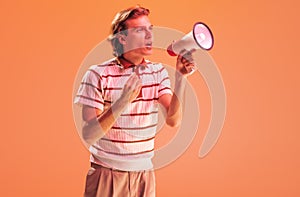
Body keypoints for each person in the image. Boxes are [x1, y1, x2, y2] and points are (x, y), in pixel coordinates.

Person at [74, 5, 196, 197]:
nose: (149, 35)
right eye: (140, 30)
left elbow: (173, 121)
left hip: (144, 176)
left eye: (150, 29)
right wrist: (122, 101)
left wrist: (181, 77)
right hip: (106, 175)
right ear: (122, 38)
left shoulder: (157, 72)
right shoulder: (97, 74)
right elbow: (89, 134)